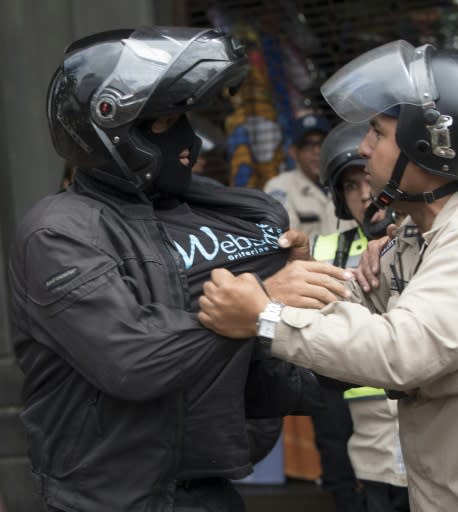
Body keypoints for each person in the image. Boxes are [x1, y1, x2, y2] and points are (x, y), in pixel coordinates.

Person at [199, 40, 458, 511]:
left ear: (433, 147)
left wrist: (266, 316)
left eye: (377, 133)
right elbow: (368, 302)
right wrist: (299, 281)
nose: (364, 149)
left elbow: (403, 350)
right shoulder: (422, 229)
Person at [8, 26, 334, 512]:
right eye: (163, 123)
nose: (189, 138)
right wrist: (259, 300)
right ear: (110, 126)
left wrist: (352, 334)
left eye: (184, 118)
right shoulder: (59, 233)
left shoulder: (217, 214)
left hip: (210, 491)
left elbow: (262, 382)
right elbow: (131, 361)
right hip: (106, 500)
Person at [314, 121, 409, 512]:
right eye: (351, 186)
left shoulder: (424, 235)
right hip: (354, 421)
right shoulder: (324, 249)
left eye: (366, 179)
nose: (365, 194)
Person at [264, 113, 356, 239]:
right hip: (308, 258)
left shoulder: (349, 178)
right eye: (307, 145)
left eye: (322, 143)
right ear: (293, 152)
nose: (317, 151)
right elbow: (284, 238)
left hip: (355, 257)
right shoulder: (280, 187)